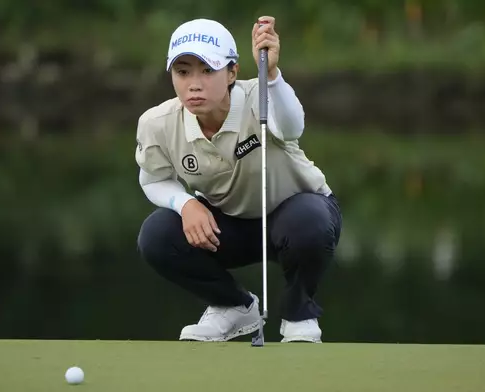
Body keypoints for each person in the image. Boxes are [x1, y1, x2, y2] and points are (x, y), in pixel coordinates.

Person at [134, 16, 342, 343]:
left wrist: (271, 74)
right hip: (229, 224)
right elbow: (153, 180)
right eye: (183, 72)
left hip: (297, 216)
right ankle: (232, 306)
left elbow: (292, 127)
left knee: (308, 221)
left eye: (208, 70)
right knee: (157, 234)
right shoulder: (157, 123)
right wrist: (186, 203)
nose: (194, 83)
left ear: (232, 72)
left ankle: (299, 315)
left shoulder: (261, 94)